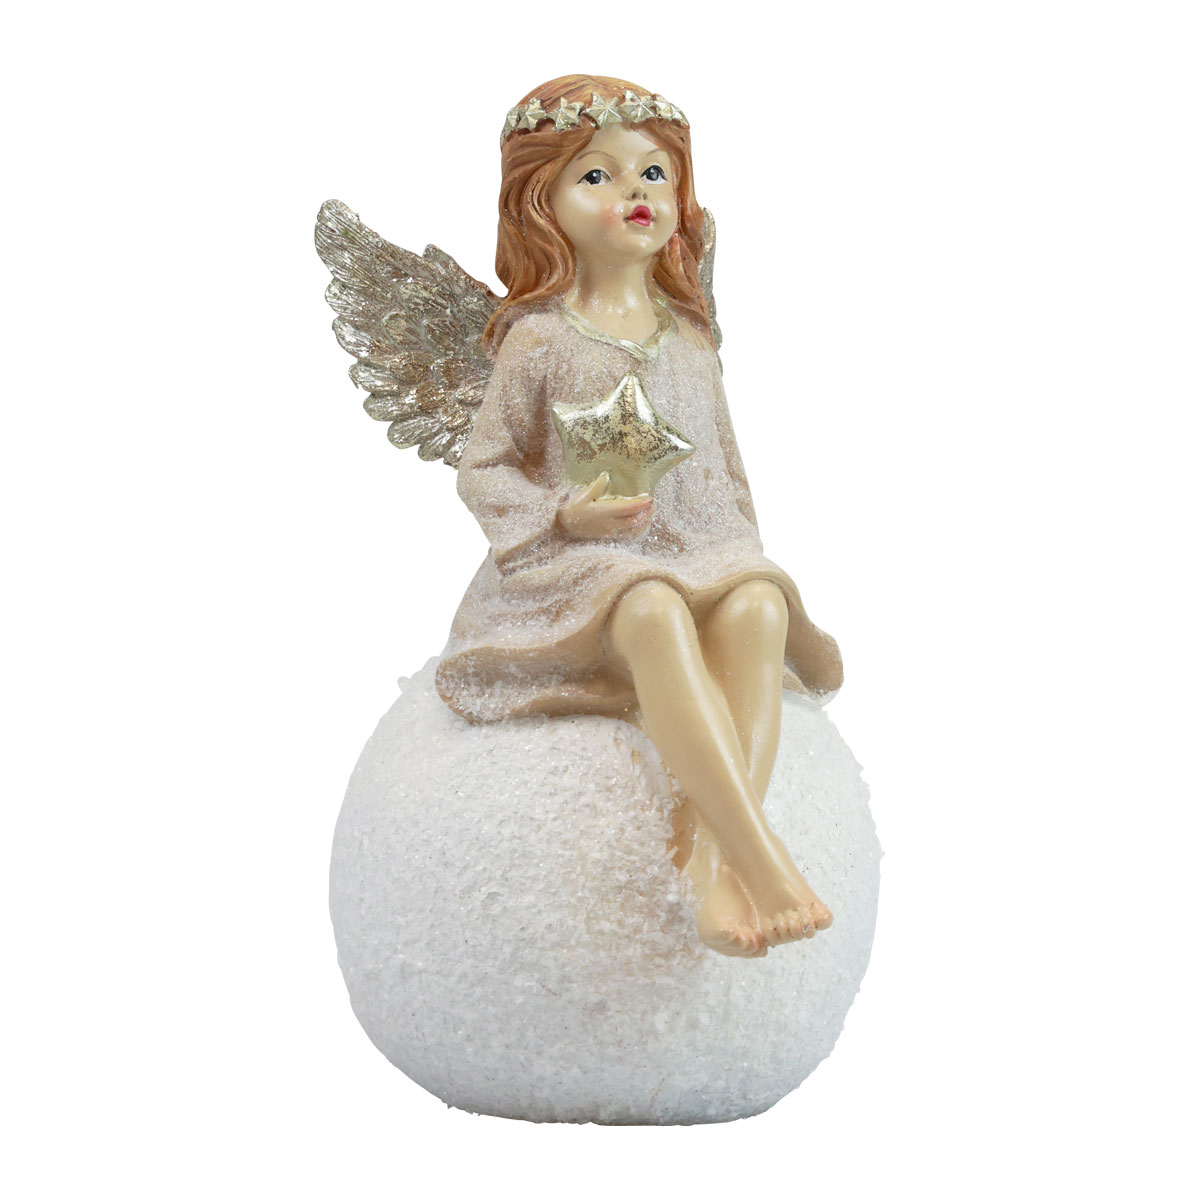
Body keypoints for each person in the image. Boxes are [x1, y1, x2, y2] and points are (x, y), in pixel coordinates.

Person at [434, 75, 843, 957]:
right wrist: (563, 517)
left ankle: (704, 861)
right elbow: (484, 468)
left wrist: (746, 558)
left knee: (760, 607)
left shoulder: (690, 337)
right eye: (598, 175)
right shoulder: (538, 339)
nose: (634, 193)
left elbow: (727, 466)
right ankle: (763, 860)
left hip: (702, 548)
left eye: (654, 172)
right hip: (579, 566)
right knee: (651, 605)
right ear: (540, 203)